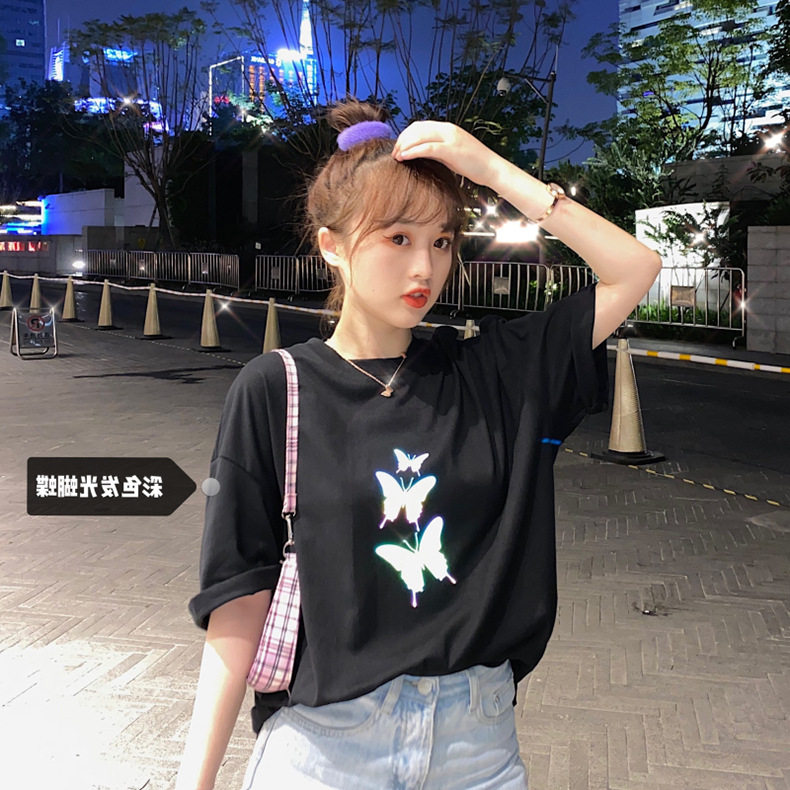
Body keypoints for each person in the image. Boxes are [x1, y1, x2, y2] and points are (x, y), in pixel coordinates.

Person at [176, 99, 662, 790]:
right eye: (398, 238)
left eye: (442, 241)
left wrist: (492, 171)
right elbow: (240, 597)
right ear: (332, 246)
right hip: (326, 750)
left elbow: (634, 268)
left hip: (477, 750)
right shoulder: (276, 389)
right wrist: (195, 780)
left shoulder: (491, 374)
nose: (425, 268)